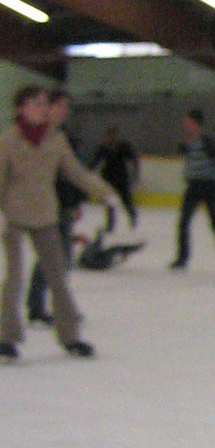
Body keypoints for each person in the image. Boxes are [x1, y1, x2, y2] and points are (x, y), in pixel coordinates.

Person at [1, 84, 119, 360]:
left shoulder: (56, 139)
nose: (43, 108)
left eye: (44, 103)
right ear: (21, 109)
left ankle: (70, 337)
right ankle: (6, 338)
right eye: (36, 103)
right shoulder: (8, 140)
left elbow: (77, 173)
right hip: (15, 216)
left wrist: (105, 193)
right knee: (14, 280)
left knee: (58, 278)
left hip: (46, 217)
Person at [27, 90, 87, 325]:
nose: (64, 112)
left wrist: (77, 201)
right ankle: (40, 306)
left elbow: (75, 173)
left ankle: (48, 305)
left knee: (60, 258)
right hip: (46, 204)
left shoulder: (65, 137)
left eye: (66, 107)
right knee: (52, 257)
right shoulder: (36, 135)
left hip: (63, 204)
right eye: (60, 106)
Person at [170, 109, 215, 270]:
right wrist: (185, 145)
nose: (185, 124)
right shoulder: (189, 140)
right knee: (184, 222)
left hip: (208, 185)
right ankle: (182, 258)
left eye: (188, 121)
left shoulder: (206, 140)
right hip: (193, 185)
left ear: (195, 123)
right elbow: (182, 151)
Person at [90, 124, 139, 228]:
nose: (111, 137)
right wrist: (88, 173)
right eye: (109, 135)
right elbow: (94, 163)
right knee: (110, 204)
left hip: (121, 179)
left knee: (127, 201)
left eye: (113, 135)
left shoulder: (123, 147)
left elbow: (133, 159)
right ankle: (110, 224)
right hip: (108, 180)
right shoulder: (103, 148)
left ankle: (133, 218)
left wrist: (135, 174)